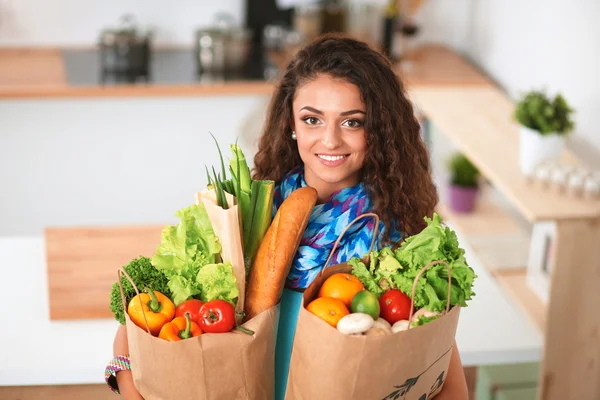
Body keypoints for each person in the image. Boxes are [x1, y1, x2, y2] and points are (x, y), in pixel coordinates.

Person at [106, 33, 468, 400]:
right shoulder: (244, 217)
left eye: (352, 122)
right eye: (312, 119)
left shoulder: (397, 235)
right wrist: (125, 381)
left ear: (379, 131)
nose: (329, 140)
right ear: (291, 124)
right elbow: (138, 323)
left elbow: (435, 357)